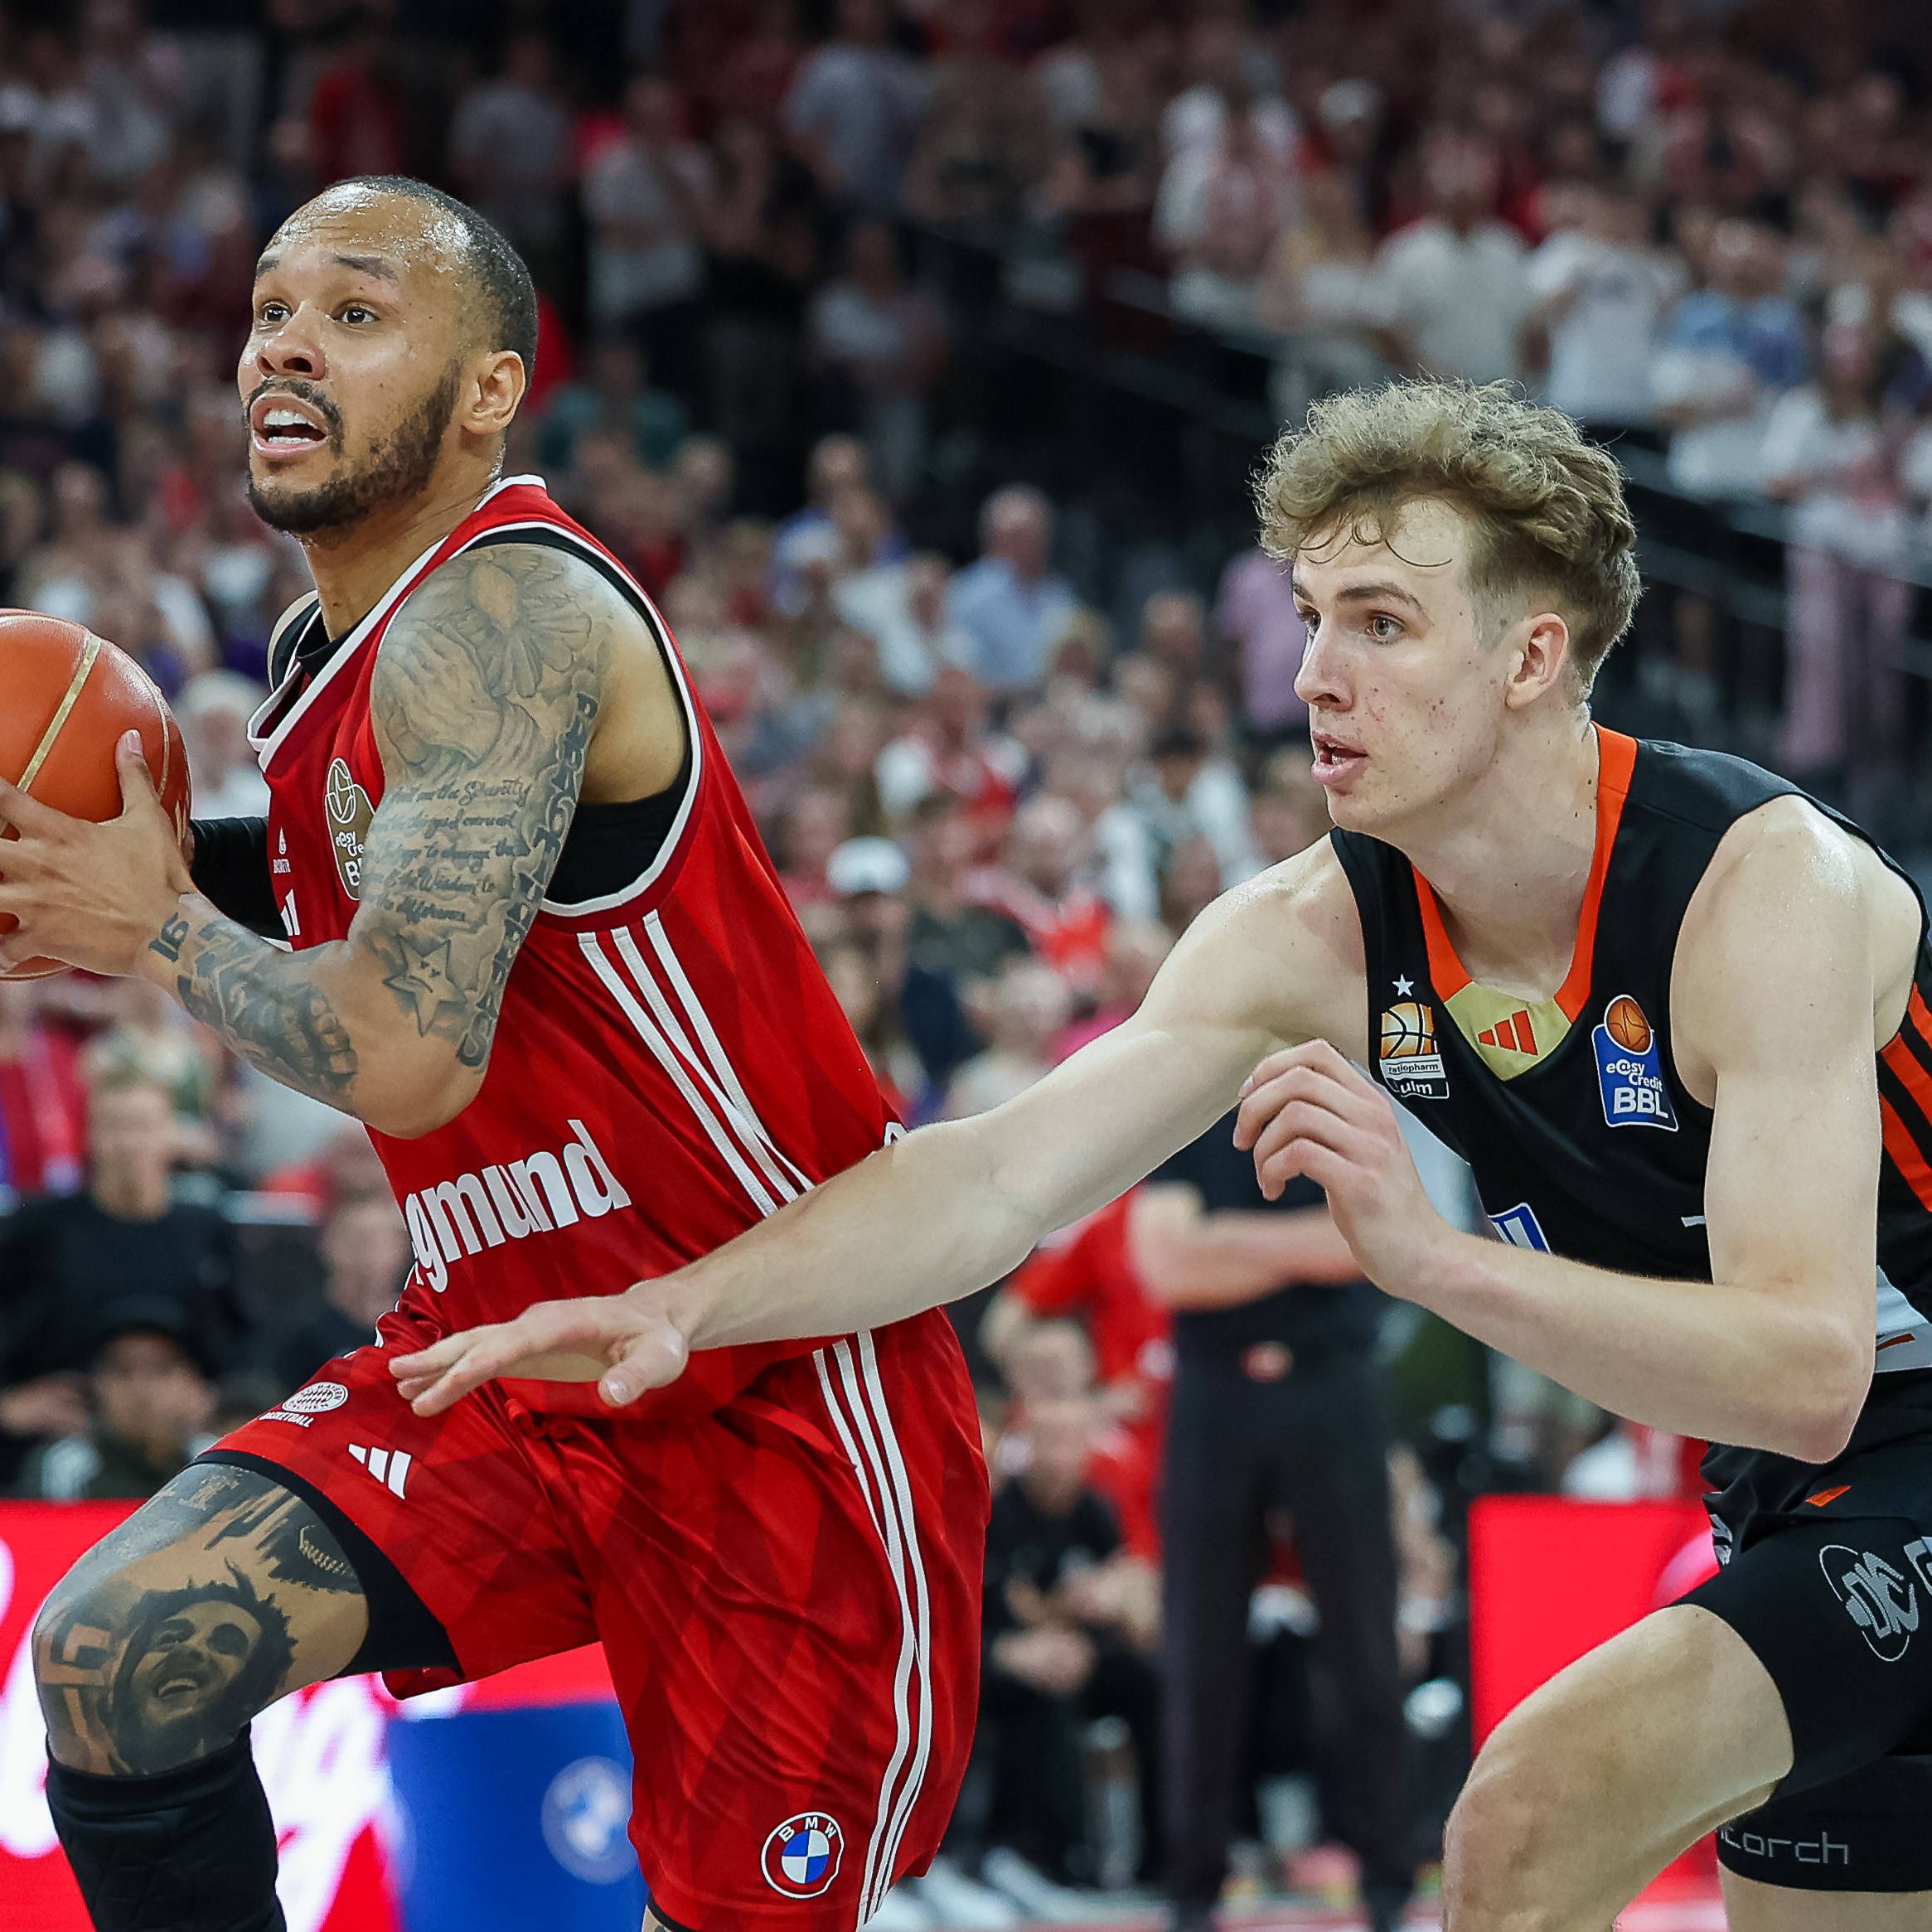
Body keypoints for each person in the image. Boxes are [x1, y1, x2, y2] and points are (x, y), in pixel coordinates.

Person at [401, 377, 1932, 1928]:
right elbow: (991, 1179)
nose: (1312, 673)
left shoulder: (1761, 890)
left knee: (1529, 1815)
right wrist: (688, 1300)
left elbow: (1809, 1371)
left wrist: (1430, 1261)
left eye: (1380, 624)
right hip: (1795, 1490)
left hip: (1884, 1438)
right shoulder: (1311, 928)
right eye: (1310, 617)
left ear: (1531, 656)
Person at [2, 175, 984, 1932]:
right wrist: (87, 875)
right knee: (116, 1660)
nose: (285, 347)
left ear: (487, 391)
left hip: (759, 1379)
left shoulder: (506, 610)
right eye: (270, 311)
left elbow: (403, 1052)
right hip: (500, 1364)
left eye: (355, 313)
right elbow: (353, 886)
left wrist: (146, 924)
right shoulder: (328, 652)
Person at [1135, 1111, 1413, 1928]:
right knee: (1200, 1644)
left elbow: (1363, 1245)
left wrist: (1221, 1239)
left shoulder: (1339, 1105)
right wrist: (1298, 1248)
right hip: (1214, 1394)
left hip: (1333, 1386)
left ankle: (1388, 1877)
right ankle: (1193, 1884)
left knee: (1364, 1637)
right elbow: (1165, 1267)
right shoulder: (1185, 1115)